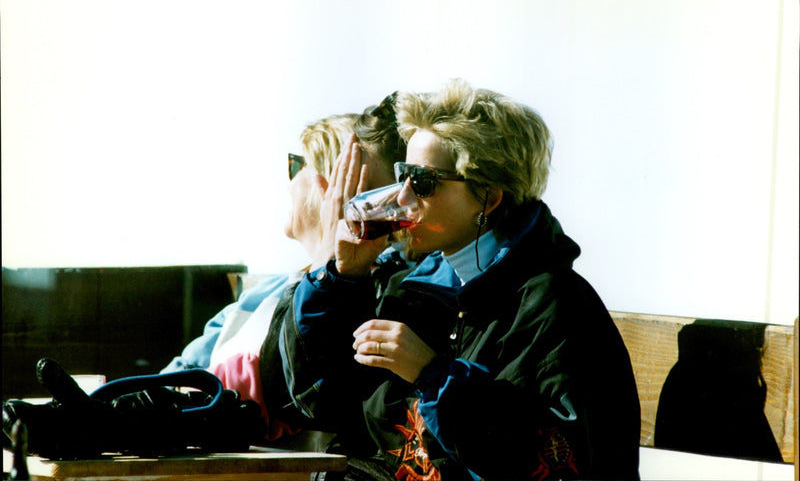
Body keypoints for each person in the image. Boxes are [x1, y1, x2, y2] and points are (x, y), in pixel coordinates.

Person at [278, 80, 641, 480]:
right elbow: (320, 402)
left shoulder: (555, 305)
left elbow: (556, 458)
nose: (401, 197)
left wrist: (433, 375)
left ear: (488, 195)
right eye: (403, 175)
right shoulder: (414, 288)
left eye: (422, 180)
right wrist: (344, 279)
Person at [163, 96, 411, 442]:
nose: (289, 182)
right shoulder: (262, 293)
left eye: (296, 166)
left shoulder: (385, 285)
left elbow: (311, 395)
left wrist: (333, 257)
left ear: (332, 183)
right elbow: (173, 377)